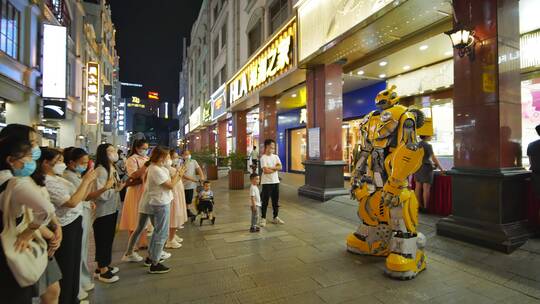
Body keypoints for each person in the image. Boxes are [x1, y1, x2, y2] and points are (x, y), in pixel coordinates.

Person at [0, 124, 63, 304]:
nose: (35, 149)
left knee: (51, 290)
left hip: (31, 242)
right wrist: (36, 232)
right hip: (23, 246)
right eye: (31, 144)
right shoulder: (16, 182)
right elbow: (42, 210)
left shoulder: (22, 176)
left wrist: (56, 226)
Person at [33, 147, 98, 304]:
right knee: (66, 267)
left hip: (72, 222)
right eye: (58, 161)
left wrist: (86, 181)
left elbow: (81, 196)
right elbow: (72, 201)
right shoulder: (45, 181)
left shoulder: (57, 177)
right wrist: (87, 181)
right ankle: (66, 299)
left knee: (74, 264)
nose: (62, 164)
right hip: (64, 226)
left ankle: (72, 297)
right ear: (45, 163)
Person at [63, 147, 114, 300]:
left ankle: (82, 281)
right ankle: (76, 288)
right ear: (71, 162)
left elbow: (85, 195)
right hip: (75, 215)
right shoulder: (69, 176)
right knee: (78, 251)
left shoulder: (77, 174)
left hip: (82, 212)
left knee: (83, 250)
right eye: (82, 162)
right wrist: (101, 187)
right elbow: (78, 197)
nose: (85, 165)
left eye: (87, 162)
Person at [93, 143, 124, 283]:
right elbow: (101, 195)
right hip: (103, 211)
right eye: (110, 151)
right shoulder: (101, 170)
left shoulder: (112, 168)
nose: (114, 152)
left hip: (112, 208)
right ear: (103, 154)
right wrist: (116, 190)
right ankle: (102, 270)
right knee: (103, 239)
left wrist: (118, 188)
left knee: (108, 238)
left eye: (114, 150)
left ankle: (104, 265)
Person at [119, 139, 149, 255]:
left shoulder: (147, 158)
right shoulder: (131, 159)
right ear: (137, 148)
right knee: (134, 216)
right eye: (143, 148)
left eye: (147, 148)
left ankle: (143, 242)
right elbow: (134, 175)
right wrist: (146, 166)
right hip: (135, 190)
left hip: (145, 189)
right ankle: (133, 244)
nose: (145, 151)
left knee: (144, 216)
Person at [413, 135, 444, 212]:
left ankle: (418, 206)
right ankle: (426, 208)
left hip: (417, 167)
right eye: (430, 135)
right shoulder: (428, 145)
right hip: (426, 167)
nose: (432, 136)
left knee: (418, 187)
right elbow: (433, 158)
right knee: (426, 188)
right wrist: (441, 168)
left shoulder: (416, 144)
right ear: (426, 136)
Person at [259, 139, 284, 226]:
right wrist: (275, 168)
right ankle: (263, 218)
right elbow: (265, 171)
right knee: (265, 201)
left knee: (275, 201)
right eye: (271, 147)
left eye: (273, 148)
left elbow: (280, 167)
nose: (272, 149)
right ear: (266, 147)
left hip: (276, 181)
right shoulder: (263, 158)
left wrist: (271, 168)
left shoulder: (275, 157)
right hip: (266, 183)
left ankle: (275, 217)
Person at [166, 149, 187, 249]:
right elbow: (173, 181)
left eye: (177, 157)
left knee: (177, 213)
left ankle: (172, 235)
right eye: (173, 157)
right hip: (173, 193)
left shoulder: (173, 168)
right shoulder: (167, 169)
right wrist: (179, 173)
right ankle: (170, 239)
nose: (176, 159)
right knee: (174, 214)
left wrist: (180, 172)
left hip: (178, 191)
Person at [182, 150, 205, 218]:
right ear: (182, 155)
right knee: (182, 199)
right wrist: (194, 180)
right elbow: (181, 174)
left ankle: (187, 210)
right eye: (186, 154)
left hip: (190, 184)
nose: (188, 155)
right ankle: (182, 211)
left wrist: (202, 176)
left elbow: (199, 169)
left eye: (189, 154)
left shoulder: (193, 161)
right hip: (181, 184)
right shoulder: (180, 162)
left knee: (189, 198)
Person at [527, 125, 540, 229]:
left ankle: (536, 227)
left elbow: (531, 162)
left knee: (536, 203)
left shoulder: (532, 145)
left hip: (536, 176)